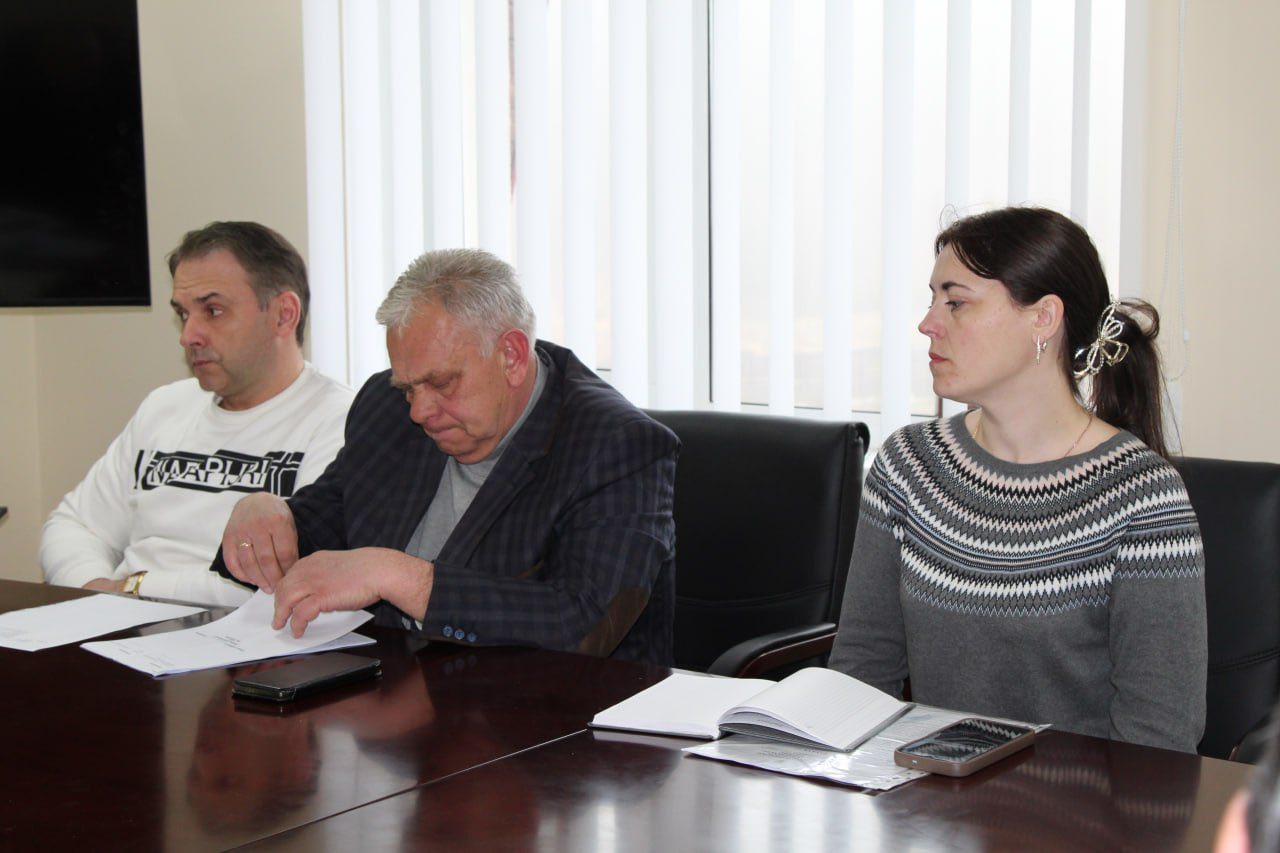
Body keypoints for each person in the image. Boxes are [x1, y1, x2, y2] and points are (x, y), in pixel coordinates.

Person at [829, 206, 1207, 752]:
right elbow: (861, 673)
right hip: (929, 795)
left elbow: (1158, 742)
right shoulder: (907, 464)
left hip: (1081, 805)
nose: (928, 323)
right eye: (932, 300)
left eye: (956, 302)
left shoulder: (1143, 498)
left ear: (1043, 318)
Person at [215, 248, 678, 664]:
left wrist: (401, 577)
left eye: (441, 383)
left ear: (512, 356)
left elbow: (584, 622)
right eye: (408, 387)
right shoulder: (387, 405)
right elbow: (330, 519)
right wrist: (268, 515)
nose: (419, 411)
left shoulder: (616, 444)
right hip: (390, 693)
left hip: (547, 714)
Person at [40, 222, 354, 606]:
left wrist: (135, 589)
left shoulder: (341, 421)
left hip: (230, 636)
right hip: (118, 620)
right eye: (183, 313)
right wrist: (93, 588)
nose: (188, 336)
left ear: (283, 315)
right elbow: (73, 525)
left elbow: (287, 580)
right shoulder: (164, 407)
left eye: (213, 310)